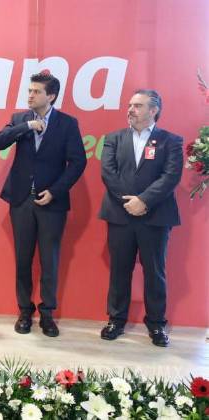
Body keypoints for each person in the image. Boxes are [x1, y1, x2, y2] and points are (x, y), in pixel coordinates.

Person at [0, 72, 86, 337]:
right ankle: (24, 311)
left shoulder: (67, 123)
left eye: (36, 92)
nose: (30, 95)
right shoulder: (19, 119)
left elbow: (78, 162)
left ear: (51, 96)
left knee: (49, 260)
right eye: (29, 91)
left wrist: (55, 192)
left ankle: (47, 314)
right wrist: (27, 127)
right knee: (22, 259)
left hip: (51, 203)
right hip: (21, 200)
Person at [99, 89, 183, 347]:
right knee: (119, 269)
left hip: (155, 216)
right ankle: (116, 320)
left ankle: (156, 324)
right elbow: (108, 173)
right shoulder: (114, 138)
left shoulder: (170, 141)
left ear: (153, 110)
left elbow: (171, 176)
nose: (130, 109)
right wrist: (130, 202)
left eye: (137, 105)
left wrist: (144, 201)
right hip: (120, 214)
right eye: (130, 105)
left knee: (155, 271)